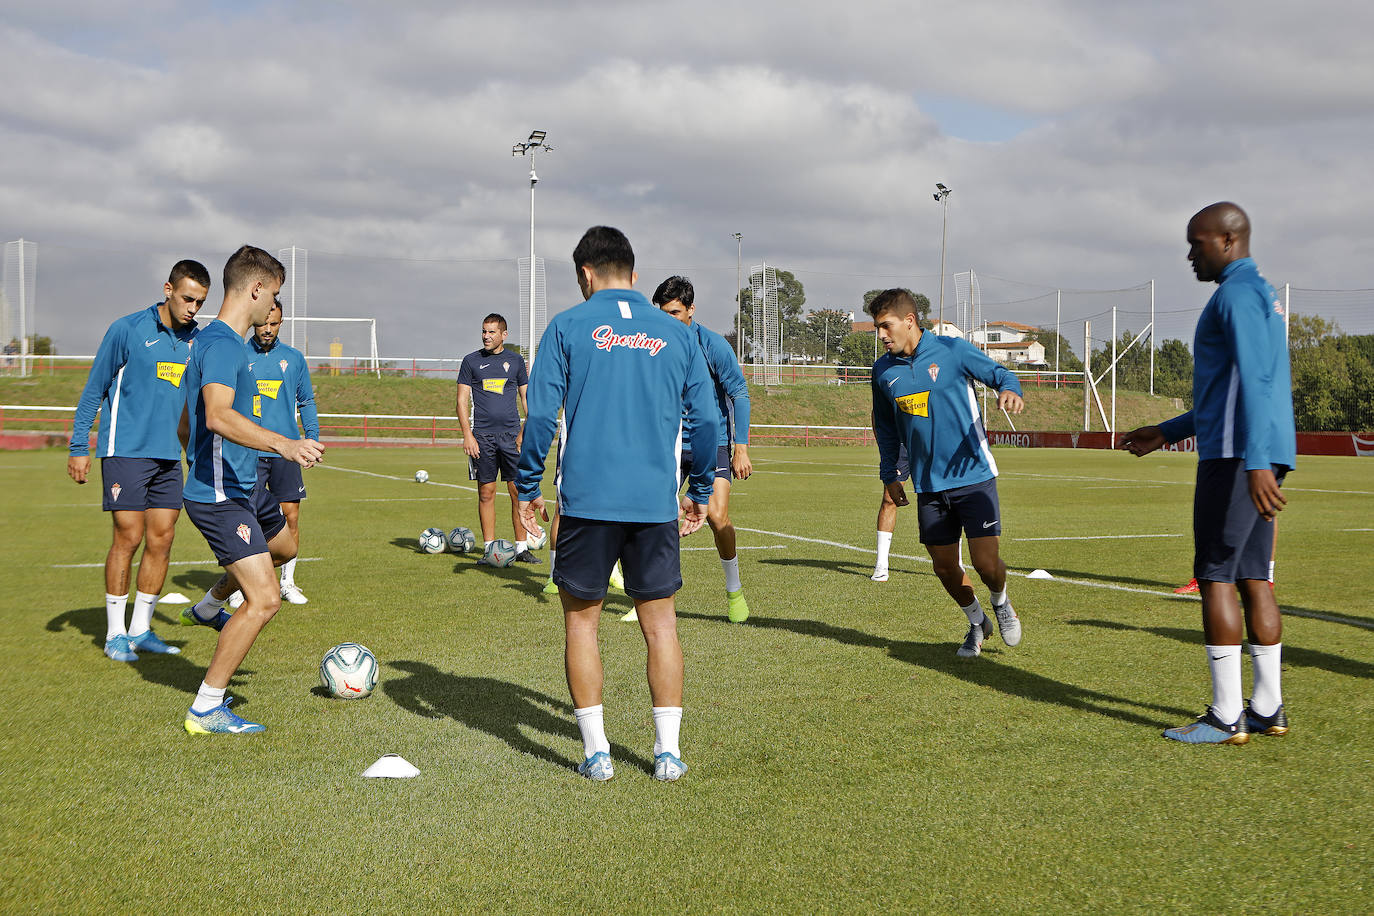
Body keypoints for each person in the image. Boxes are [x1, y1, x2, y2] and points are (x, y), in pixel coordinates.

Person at [516, 226, 718, 782]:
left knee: (583, 625)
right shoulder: (677, 334)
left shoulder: (568, 326)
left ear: (585, 273)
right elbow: (706, 420)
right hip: (654, 503)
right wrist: (699, 490)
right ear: (634, 269)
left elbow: (538, 416)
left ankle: (597, 753)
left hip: (586, 501)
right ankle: (668, 753)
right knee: (662, 626)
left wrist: (529, 485)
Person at [1122, 202, 1295, 745]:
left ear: (1227, 239)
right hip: (1253, 451)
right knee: (1253, 575)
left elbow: (1257, 381)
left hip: (1238, 457)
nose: (1190, 254)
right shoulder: (1258, 293)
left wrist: (1258, 460)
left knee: (1215, 574)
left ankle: (1225, 716)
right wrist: (1168, 431)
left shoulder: (1235, 296)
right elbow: (1229, 393)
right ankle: (1268, 706)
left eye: (1196, 243)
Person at [177, 246, 324, 735]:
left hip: (244, 484)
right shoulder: (221, 344)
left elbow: (187, 421)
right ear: (256, 289)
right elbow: (216, 416)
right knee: (264, 600)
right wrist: (283, 443)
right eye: (274, 294)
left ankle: (213, 600)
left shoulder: (214, 343)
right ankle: (206, 707)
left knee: (286, 546)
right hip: (221, 494)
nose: (273, 306)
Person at [869, 288, 1025, 658]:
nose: (881, 335)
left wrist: (1010, 390)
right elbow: (887, 428)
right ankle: (977, 623)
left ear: (909, 321)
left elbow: (1000, 374)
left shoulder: (952, 351)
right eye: (877, 328)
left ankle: (1001, 603)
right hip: (929, 484)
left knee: (986, 565)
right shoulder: (882, 371)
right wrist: (890, 473)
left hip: (973, 476)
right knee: (943, 567)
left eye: (885, 326)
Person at [67, 260, 210, 661]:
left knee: (162, 538)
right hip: (124, 451)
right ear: (168, 289)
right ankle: (115, 634)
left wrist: (194, 453)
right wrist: (79, 446)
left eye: (199, 302)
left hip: (168, 457)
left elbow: (194, 408)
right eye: (187, 299)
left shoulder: (196, 342)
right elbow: (94, 390)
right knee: (128, 536)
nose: (192, 309)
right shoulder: (127, 329)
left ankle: (141, 629)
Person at [652, 275, 753, 623]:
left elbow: (739, 393)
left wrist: (741, 448)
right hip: (669, 446)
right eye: (662, 313)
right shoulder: (653, 347)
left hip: (713, 443)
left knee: (716, 516)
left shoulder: (712, 345)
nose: (667, 320)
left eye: (674, 312)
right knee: (652, 517)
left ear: (691, 310)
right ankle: (653, 597)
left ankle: (734, 591)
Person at [247, 297, 319, 604]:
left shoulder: (294, 358)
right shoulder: (237, 355)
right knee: (245, 520)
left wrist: (312, 438)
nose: (267, 329)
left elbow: (306, 401)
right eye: (263, 322)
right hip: (248, 448)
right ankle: (245, 585)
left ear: (281, 323)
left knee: (290, 517)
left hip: (286, 451)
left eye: (274, 323)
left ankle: (287, 582)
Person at [456, 314, 541, 565]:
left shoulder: (516, 361)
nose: (486, 336)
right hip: (482, 437)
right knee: (486, 492)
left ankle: (522, 547)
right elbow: (461, 401)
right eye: (484, 331)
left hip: (512, 437)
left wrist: (526, 430)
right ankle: (489, 549)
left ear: (504, 334)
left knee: (517, 491)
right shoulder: (470, 361)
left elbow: (527, 399)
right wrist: (467, 435)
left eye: (492, 332)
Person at [871, 439, 910, 582]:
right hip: (899, 445)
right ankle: (881, 565)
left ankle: (957, 561)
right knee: (889, 499)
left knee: (940, 496)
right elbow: (878, 420)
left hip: (929, 440)